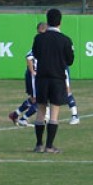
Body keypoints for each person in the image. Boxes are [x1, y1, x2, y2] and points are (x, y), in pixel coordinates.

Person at [30, 8, 75, 154]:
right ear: (60, 22)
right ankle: (49, 146)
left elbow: (35, 54)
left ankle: (39, 145)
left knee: (41, 110)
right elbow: (70, 60)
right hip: (57, 79)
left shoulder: (39, 38)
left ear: (47, 21)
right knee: (54, 111)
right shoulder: (65, 40)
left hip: (42, 78)